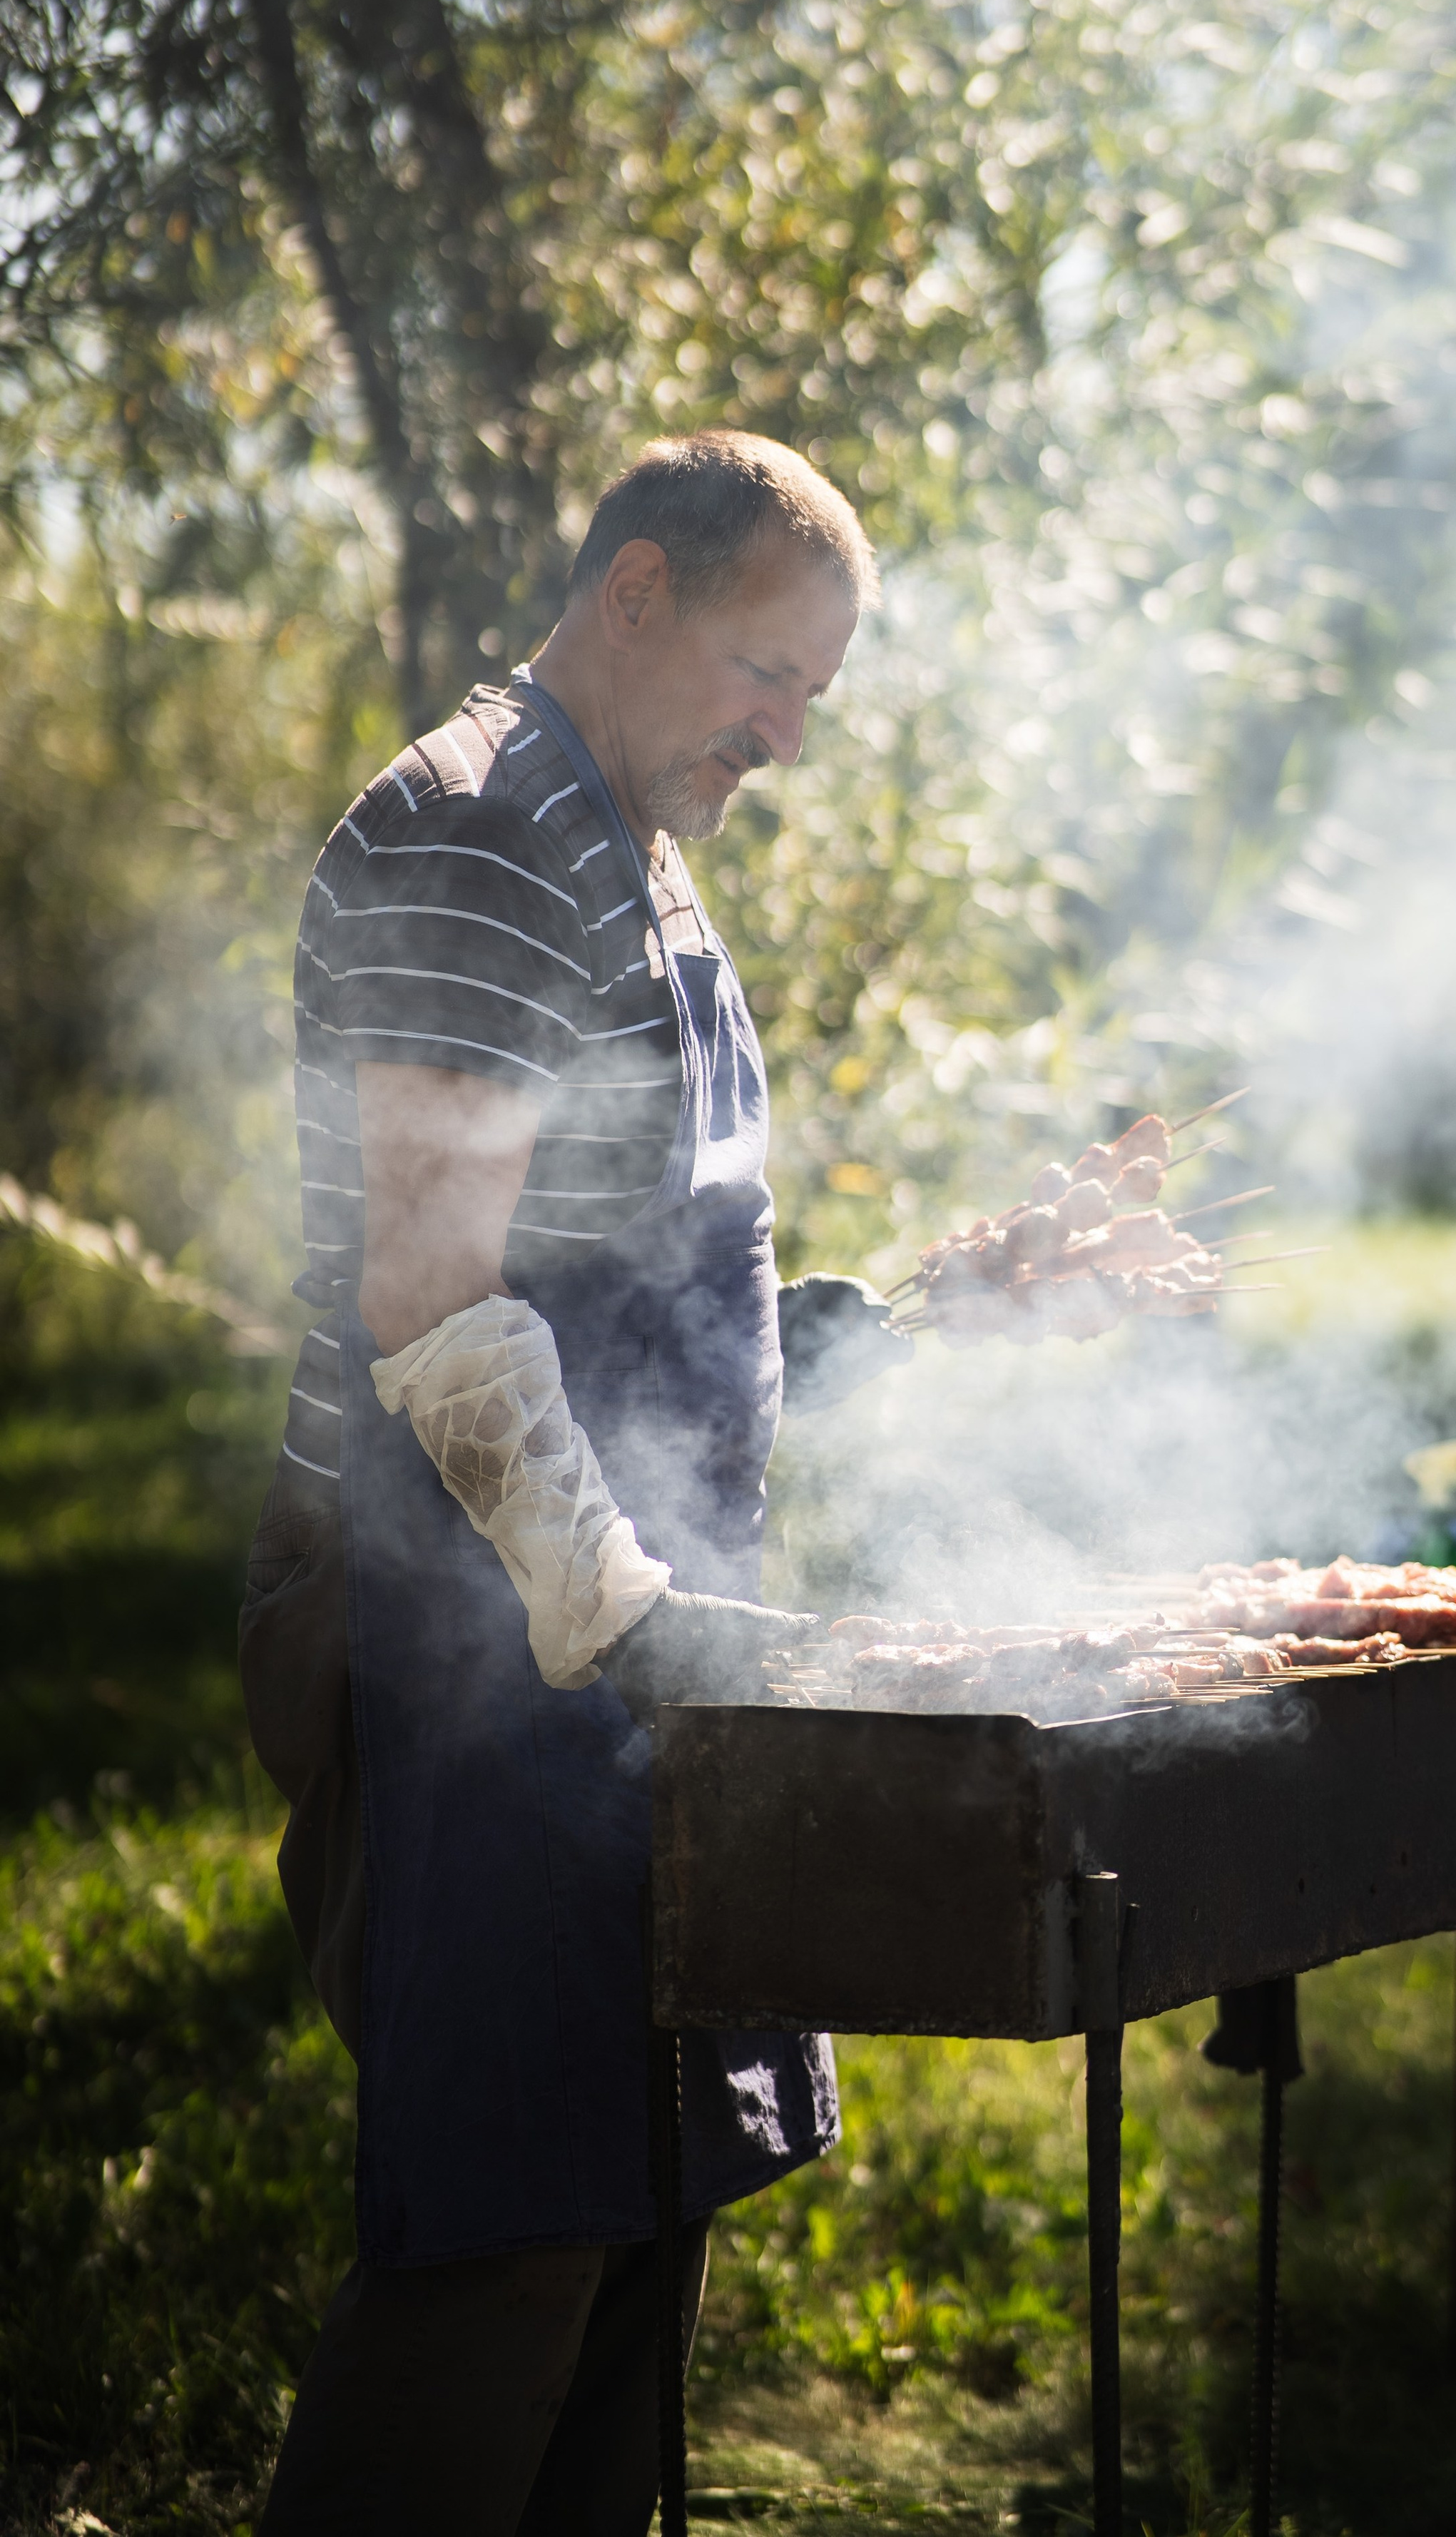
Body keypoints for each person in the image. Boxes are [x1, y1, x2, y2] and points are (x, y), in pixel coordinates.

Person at [240, 432, 911, 2533]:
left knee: (635, 2230)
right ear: (635, 592)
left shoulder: (623, 834)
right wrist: (629, 1617)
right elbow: (434, 1296)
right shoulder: (477, 834)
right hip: (467, 1642)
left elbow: (664, 1276)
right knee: (509, 2246)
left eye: (814, 696)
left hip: (606, 1642)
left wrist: (952, 1296)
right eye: (766, 674)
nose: (784, 737)